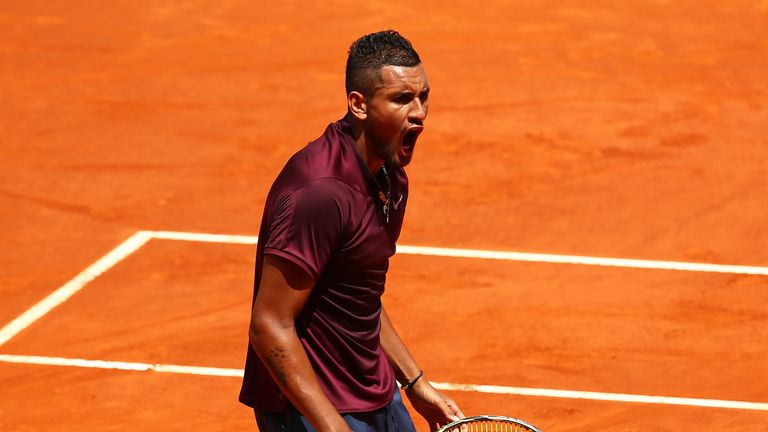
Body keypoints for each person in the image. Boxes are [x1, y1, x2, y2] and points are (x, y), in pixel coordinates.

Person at [239, 30, 464, 432]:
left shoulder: (389, 178)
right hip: (312, 407)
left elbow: (360, 294)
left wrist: (414, 383)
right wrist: (332, 427)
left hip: (372, 388)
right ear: (358, 104)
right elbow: (269, 323)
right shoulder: (319, 193)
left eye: (423, 96)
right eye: (401, 99)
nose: (419, 112)